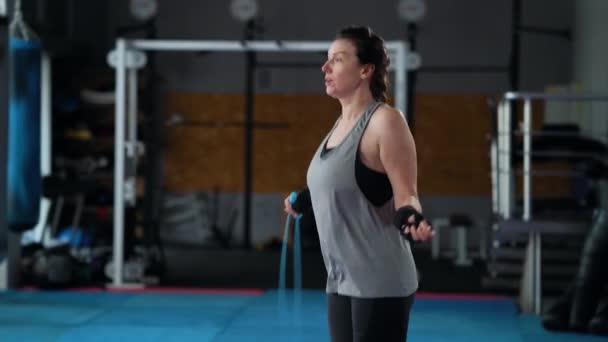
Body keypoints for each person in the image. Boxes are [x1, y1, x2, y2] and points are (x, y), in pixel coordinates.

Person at [284, 25, 434, 342]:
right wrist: (303, 199)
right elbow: (347, 182)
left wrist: (411, 217)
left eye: (337, 60)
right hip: (341, 280)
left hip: (380, 280)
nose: (325, 68)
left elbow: (406, 193)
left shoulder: (385, 121)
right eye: (327, 60)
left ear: (365, 69)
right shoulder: (340, 125)